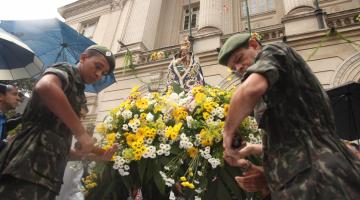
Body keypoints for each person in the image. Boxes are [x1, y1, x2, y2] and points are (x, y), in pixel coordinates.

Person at [219, 33, 360, 199]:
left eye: (239, 59)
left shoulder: (274, 51)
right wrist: (257, 158)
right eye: (233, 68)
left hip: (320, 177)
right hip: (297, 183)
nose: (238, 68)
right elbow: (292, 141)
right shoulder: (273, 94)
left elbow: (250, 90)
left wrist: (227, 132)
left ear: (254, 45)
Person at [0, 45, 116, 200]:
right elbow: (46, 86)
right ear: (83, 58)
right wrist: (81, 133)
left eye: (103, 73)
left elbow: (59, 144)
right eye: (98, 66)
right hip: (26, 166)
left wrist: (91, 156)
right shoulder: (66, 70)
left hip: (49, 175)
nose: (98, 74)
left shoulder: (79, 93)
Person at [0, 84, 21, 151]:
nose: (18, 98)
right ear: (1, 96)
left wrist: (23, 117)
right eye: (14, 94)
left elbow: (6, 125)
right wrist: (6, 142)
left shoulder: (2, 117)